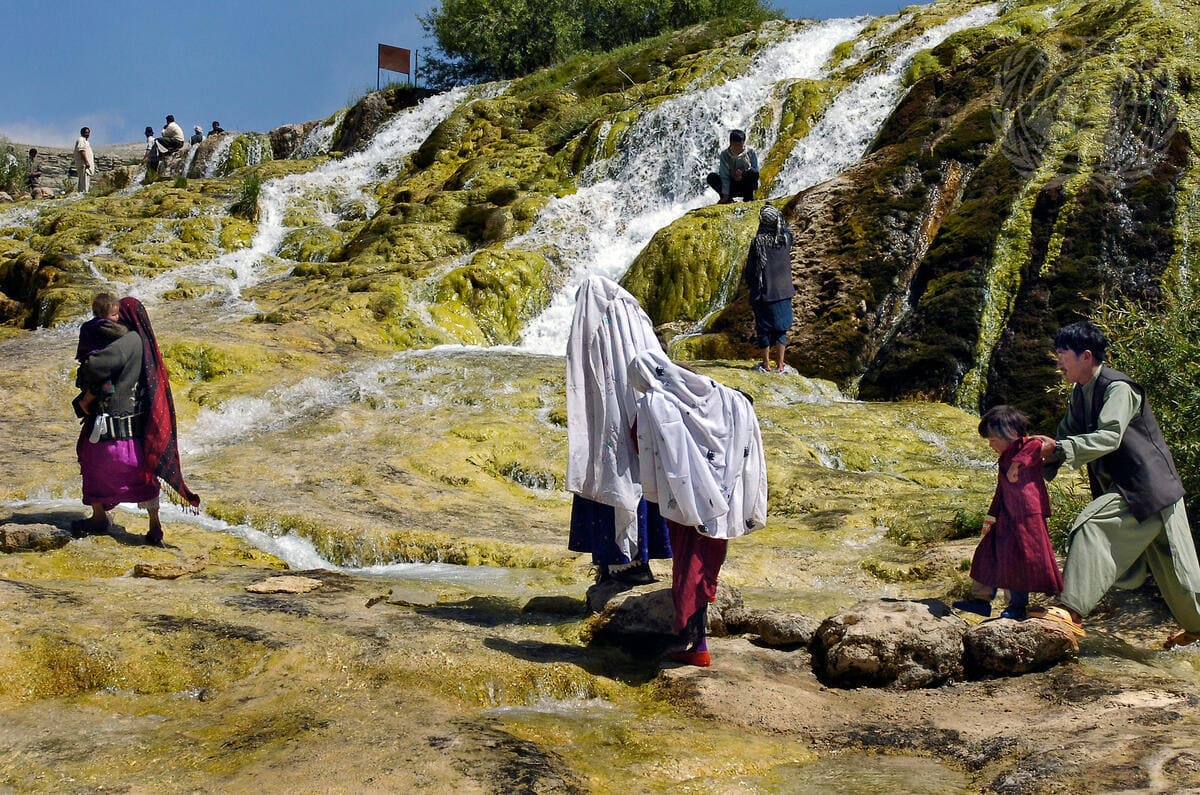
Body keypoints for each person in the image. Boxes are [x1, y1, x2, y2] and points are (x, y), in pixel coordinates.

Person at [1030, 320, 1200, 646]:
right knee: (1174, 574)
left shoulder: (1118, 388)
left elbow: (1109, 436)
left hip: (1145, 486)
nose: (1058, 361)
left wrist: (1061, 449)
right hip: (1145, 490)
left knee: (1090, 526)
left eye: (1063, 353)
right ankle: (1197, 630)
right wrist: (1037, 456)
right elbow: (1065, 437)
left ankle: (1071, 612)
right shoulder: (1081, 393)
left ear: (1087, 356)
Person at [628, 349, 767, 667]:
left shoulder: (658, 404)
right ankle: (698, 640)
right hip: (725, 495)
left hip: (686, 498)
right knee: (706, 563)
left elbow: (639, 440)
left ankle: (695, 643)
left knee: (688, 563)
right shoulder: (723, 396)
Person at [566, 275, 671, 585]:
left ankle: (622, 563)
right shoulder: (636, 324)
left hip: (614, 426)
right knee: (631, 476)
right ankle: (633, 561)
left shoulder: (598, 327)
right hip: (638, 425)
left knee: (614, 475)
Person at [74, 297, 200, 545]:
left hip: (113, 422)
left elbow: (94, 367)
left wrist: (86, 368)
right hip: (137, 424)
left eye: (121, 313)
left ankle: (99, 516)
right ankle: (154, 525)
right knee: (144, 475)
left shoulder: (128, 341)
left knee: (90, 459)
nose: (118, 318)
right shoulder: (145, 343)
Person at [953, 406, 1062, 621]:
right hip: (1005, 515)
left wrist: (1016, 464)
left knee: (1019, 559)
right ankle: (981, 601)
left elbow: (1038, 444)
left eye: (993, 439)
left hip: (1026, 515)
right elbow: (1001, 489)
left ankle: (1018, 606)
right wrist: (991, 515)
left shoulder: (1024, 447)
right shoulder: (1006, 456)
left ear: (1010, 433)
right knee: (987, 554)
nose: (991, 444)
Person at [743, 204, 795, 373]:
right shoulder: (786, 239)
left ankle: (765, 364)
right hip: (784, 291)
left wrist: (751, 286)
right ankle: (780, 365)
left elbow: (751, 269)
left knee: (763, 330)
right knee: (781, 329)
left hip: (764, 292)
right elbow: (786, 229)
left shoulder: (758, 242)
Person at [72, 293, 124, 420]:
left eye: (118, 314)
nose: (118, 317)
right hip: (94, 363)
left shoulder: (88, 325)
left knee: (104, 386)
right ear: (100, 314)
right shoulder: (101, 325)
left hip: (91, 362)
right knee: (104, 386)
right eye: (114, 315)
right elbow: (121, 332)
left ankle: (90, 404)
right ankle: (84, 402)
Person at [706, 129, 759, 204]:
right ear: (730, 143)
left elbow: (756, 171)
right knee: (711, 177)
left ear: (743, 143)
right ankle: (727, 199)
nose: (737, 148)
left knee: (753, 172)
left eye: (739, 146)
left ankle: (748, 197)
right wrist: (725, 195)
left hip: (745, 185)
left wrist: (743, 173)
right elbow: (724, 176)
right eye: (735, 146)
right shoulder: (724, 155)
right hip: (732, 185)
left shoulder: (751, 152)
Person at [72, 126, 94, 193]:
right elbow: (82, 151)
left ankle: (81, 193)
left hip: (85, 164)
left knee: (83, 181)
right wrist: (86, 162)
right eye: (86, 133)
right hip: (83, 164)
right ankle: (84, 193)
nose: (88, 134)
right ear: (82, 133)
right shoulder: (81, 140)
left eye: (88, 133)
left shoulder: (86, 141)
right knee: (84, 181)